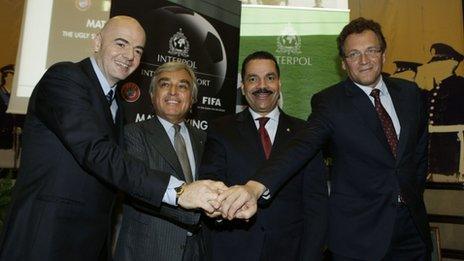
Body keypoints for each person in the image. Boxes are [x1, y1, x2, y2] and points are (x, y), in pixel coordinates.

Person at [0, 16, 225, 261]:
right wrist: (180, 191)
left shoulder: (116, 105)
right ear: (97, 42)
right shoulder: (65, 78)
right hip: (45, 236)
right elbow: (97, 152)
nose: (129, 55)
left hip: (89, 242)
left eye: (137, 50)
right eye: (121, 43)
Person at [219, 17, 432, 260]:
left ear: (383, 55)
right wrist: (255, 186)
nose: (364, 61)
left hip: (412, 230)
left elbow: (419, 154)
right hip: (360, 238)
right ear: (343, 63)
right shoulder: (330, 102)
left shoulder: (410, 93)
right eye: (353, 54)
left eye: (371, 50)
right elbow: (302, 145)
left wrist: (411, 193)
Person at [199, 51, 327, 260]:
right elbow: (212, 185)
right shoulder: (221, 129)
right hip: (234, 250)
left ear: (279, 83)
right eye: (253, 79)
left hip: (290, 251)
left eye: (270, 77)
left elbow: (316, 205)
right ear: (243, 86)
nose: (262, 86)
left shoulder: (304, 133)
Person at [114, 61, 207, 261]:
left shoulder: (204, 139)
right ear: (152, 95)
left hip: (197, 251)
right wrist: (196, 214)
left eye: (183, 86)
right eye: (165, 84)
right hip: (149, 250)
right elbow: (139, 191)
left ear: (192, 99)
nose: (173, 92)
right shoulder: (133, 135)